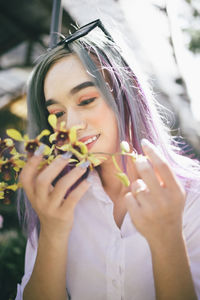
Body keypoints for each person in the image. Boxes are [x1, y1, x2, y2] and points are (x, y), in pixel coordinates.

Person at [15, 20, 200, 300]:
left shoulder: (192, 196)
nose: (71, 125)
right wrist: (53, 231)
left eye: (86, 100)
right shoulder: (57, 201)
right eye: (58, 113)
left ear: (129, 92)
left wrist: (167, 240)